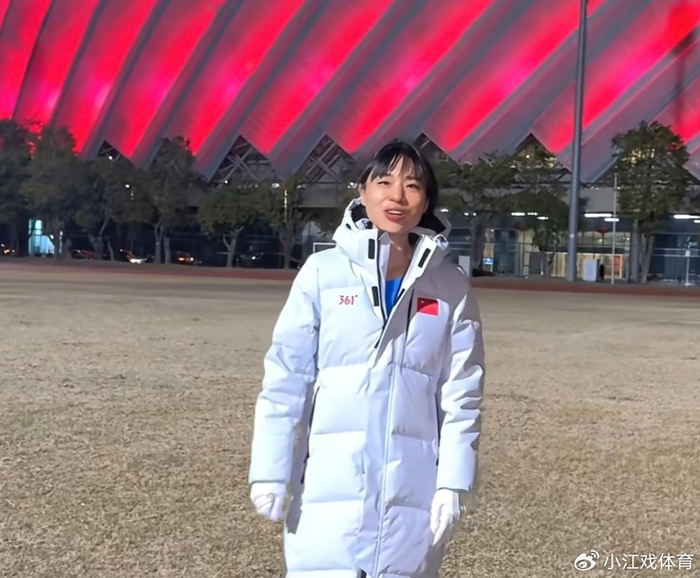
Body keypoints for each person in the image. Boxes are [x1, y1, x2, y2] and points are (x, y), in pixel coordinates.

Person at [248, 140, 486, 578]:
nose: (397, 196)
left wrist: (454, 482)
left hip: (411, 489)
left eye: (412, 186)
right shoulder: (323, 273)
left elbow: (462, 394)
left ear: (426, 201)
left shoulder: (450, 286)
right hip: (327, 482)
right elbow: (287, 378)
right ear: (362, 191)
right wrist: (271, 470)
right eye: (384, 181)